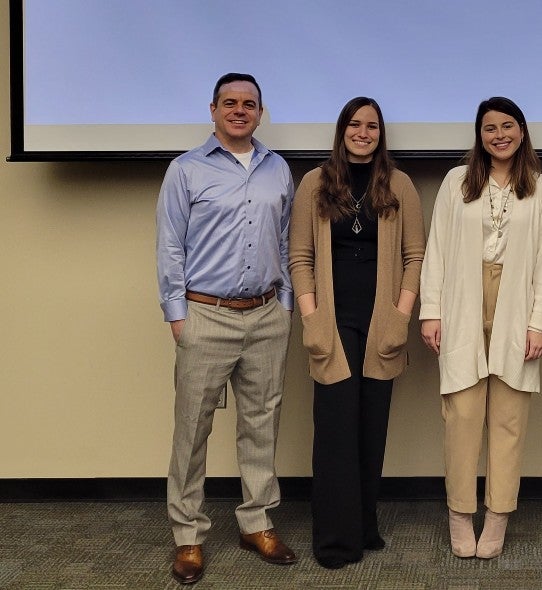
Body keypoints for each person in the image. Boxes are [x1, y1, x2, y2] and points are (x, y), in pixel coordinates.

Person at [156, 73, 298, 584]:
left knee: (261, 423)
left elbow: (285, 240)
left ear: (261, 113)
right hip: (205, 314)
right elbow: (171, 245)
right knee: (192, 428)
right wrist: (178, 316)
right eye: (230, 103)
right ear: (213, 110)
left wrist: (283, 305)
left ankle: (256, 523)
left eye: (250, 104)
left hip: (265, 315)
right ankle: (188, 536)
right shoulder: (186, 170)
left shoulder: (277, 169)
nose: (240, 111)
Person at [288, 97, 425, 569]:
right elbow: (300, 258)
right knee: (335, 432)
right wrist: (311, 318)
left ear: (380, 133)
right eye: (354, 123)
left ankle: (365, 527)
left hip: (381, 323)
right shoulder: (315, 183)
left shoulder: (400, 184)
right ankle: (334, 541)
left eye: (371, 125)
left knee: (371, 430)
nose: (363, 132)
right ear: (342, 129)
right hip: (332, 322)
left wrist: (399, 315)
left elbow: (415, 257)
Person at [420, 97, 542, 559]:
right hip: (462, 302)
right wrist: (431, 310)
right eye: (489, 128)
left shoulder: (540, 189)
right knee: (461, 417)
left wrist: (538, 323)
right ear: (479, 136)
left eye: (507, 126)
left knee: (508, 420)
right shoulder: (456, 182)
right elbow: (436, 248)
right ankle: (460, 514)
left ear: (522, 131)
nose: (498, 135)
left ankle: (498, 517)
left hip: (515, 307)